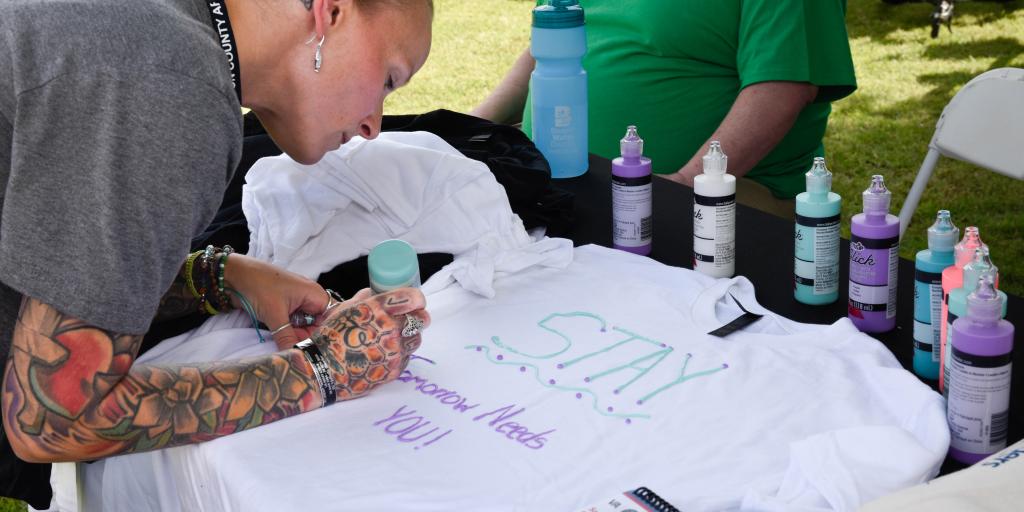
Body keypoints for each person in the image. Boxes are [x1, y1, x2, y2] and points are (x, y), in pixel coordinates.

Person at [0, 0, 434, 507]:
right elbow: (50, 419)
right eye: (388, 79)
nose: (373, 126)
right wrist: (325, 368)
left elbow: (47, 272)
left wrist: (213, 277)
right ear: (330, 11)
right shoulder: (173, 84)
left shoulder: (157, 31)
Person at [472, 0, 857, 218]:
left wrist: (686, 184)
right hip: (562, 183)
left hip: (714, 201)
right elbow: (550, 43)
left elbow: (783, 87)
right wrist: (467, 126)